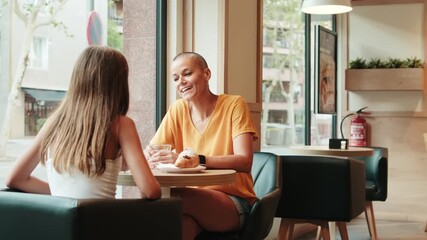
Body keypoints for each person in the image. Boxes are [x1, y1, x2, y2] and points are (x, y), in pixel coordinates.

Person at [6, 46, 161, 200]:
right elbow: (151, 191)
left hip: (62, 224)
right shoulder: (122, 125)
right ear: (118, 85)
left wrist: (62, 196)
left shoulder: (53, 123)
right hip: (103, 223)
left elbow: (15, 179)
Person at [145, 52, 259, 239]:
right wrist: (150, 155)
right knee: (181, 228)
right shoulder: (177, 109)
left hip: (235, 203)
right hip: (194, 205)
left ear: (207, 74)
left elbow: (245, 161)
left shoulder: (234, 105)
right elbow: (152, 149)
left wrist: (197, 160)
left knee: (173, 198)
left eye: (187, 73)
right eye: (175, 78)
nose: (181, 81)